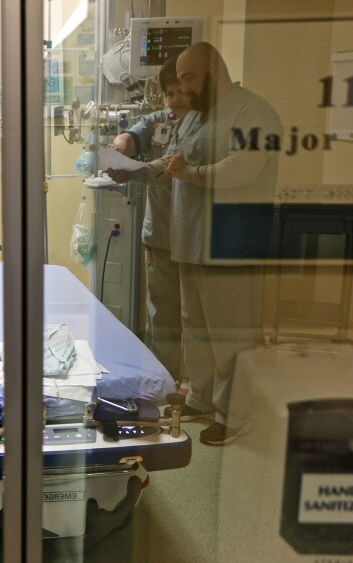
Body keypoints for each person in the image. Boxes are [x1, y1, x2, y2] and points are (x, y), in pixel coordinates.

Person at [152, 42, 281, 446]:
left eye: (189, 78)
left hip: (230, 241)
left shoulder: (253, 111)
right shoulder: (196, 115)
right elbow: (175, 157)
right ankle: (204, 396)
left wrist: (191, 173)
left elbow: (243, 167)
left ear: (216, 71)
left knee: (230, 331)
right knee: (196, 325)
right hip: (190, 238)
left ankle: (234, 414)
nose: (183, 87)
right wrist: (138, 168)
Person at [106, 55, 190, 387]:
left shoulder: (205, 126)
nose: (176, 99)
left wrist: (133, 172)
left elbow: (166, 172)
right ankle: (165, 380)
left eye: (182, 91)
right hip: (161, 235)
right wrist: (119, 146)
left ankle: (197, 387)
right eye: (170, 93)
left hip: (196, 237)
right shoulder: (162, 120)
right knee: (163, 316)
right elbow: (134, 134)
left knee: (195, 318)